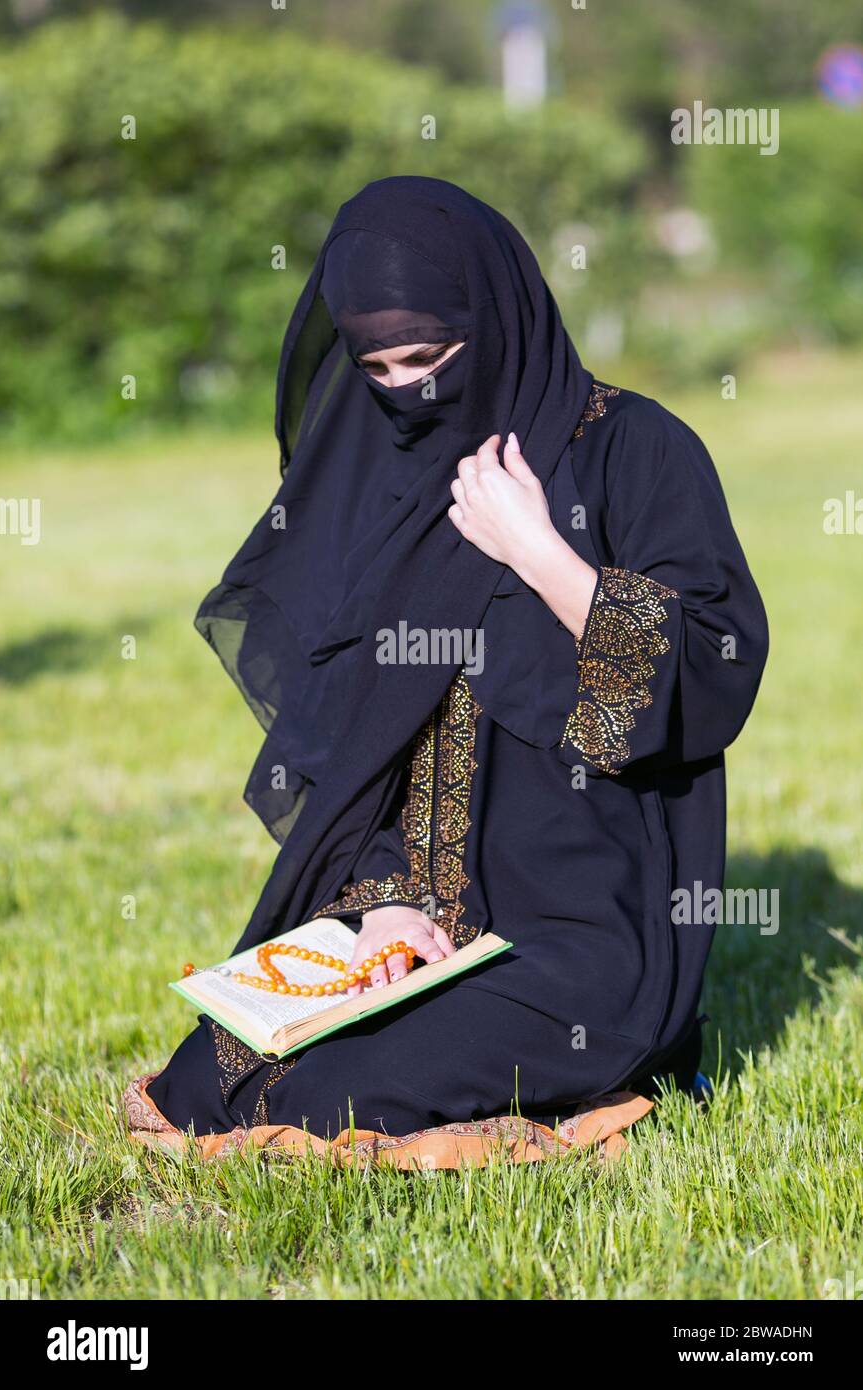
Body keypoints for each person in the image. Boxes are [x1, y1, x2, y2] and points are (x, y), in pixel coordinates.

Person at [135, 176, 768, 1155]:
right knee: (213, 1077)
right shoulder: (389, 476)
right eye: (377, 366)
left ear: (496, 316)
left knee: (333, 1091)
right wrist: (386, 906)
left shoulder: (635, 451)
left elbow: (701, 680)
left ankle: (606, 1080)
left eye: (429, 358)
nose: (405, 391)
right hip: (421, 924)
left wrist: (539, 553)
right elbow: (367, 753)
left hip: (585, 941)